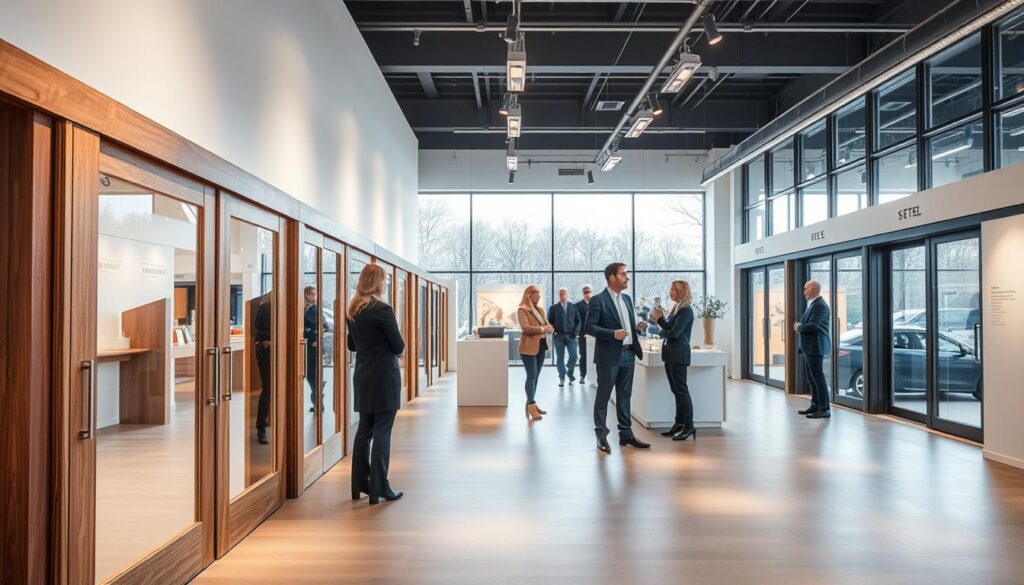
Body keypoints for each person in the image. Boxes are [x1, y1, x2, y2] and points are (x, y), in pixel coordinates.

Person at [347, 264, 405, 505]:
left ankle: (361, 483)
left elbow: (352, 345)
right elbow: (398, 346)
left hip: (363, 375)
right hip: (383, 377)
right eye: (385, 280)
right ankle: (380, 486)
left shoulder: (353, 309)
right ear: (378, 282)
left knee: (365, 429)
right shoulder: (381, 309)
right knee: (383, 429)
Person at [586, 262, 650, 453]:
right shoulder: (598, 300)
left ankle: (626, 434)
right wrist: (612, 334)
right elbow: (589, 327)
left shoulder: (628, 299)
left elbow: (627, 324)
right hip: (609, 355)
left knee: (624, 396)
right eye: (623, 274)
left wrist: (635, 328)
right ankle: (602, 436)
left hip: (629, 353)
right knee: (604, 397)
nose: (627, 277)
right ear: (612, 277)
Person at [649, 281, 696, 441]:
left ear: (682, 292)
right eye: (670, 290)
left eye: (673, 290)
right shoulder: (677, 308)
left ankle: (689, 426)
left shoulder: (686, 311)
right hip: (671, 354)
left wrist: (660, 331)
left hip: (679, 354)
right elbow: (668, 326)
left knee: (681, 391)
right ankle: (679, 423)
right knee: (676, 391)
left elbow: (673, 333)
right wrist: (660, 318)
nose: (670, 293)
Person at [794, 279, 832, 419]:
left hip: (816, 346)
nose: (804, 292)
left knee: (818, 378)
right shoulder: (813, 304)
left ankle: (824, 409)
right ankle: (815, 404)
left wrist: (799, 327)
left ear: (815, 290)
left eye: (806, 289)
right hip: (809, 347)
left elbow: (814, 325)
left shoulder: (820, 306)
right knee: (811, 378)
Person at [517, 285, 554, 420]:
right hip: (528, 348)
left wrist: (549, 327)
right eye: (536, 294)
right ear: (528, 295)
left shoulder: (540, 310)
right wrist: (544, 328)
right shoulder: (522, 310)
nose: (538, 296)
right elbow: (526, 329)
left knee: (536, 376)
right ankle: (531, 405)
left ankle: (531, 404)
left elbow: (546, 324)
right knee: (531, 375)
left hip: (541, 346)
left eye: (539, 294)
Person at [547, 287, 581, 387]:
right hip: (559, 337)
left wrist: (576, 332)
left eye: (565, 294)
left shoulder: (573, 307)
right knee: (560, 358)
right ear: (559, 295)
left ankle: (569, 373)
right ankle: (562, 377)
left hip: (572, 336)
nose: (563, 296)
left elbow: (578, 321)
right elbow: (549, 322)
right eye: (561, 294)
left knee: (574, 356)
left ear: (567, 294)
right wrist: (554, 332)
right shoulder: (553, 308)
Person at [253, 294, 273, 445]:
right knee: (268, 389)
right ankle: (261, 427)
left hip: (279, 351)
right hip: (266, 352)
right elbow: (258, 332)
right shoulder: (265, 308)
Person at [303, 285, 322, 413]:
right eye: (313, 294)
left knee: (312, 376)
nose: (315, 297)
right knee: (310, 375)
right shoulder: (303, 308)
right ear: (307, 295)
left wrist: (316, 339)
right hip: (305, 346)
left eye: (315, 294)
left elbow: (323, 326)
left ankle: (318, 402)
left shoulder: (315, 310)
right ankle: (317, 402)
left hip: (312, 347)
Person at [574, 286, 593, 383]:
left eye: (589, 292)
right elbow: (576, 321)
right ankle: (582, 375)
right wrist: (576, 333)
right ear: (583, 293)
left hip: (595, 334)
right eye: (585, 292)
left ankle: (594, 377)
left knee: (595, 355)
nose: (587, 294)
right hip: (582, 334)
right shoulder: (577, 306)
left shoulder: (596, 303)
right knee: (583, 355)